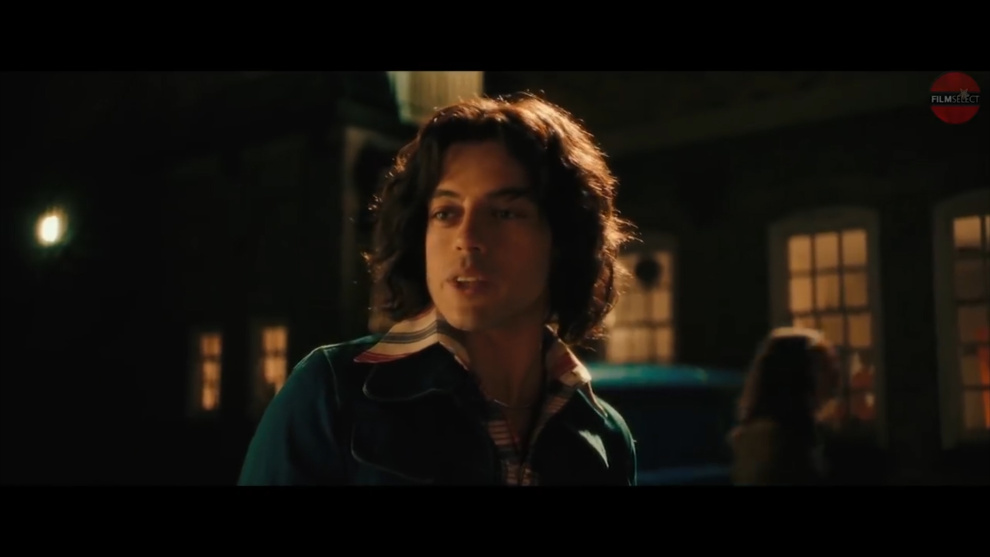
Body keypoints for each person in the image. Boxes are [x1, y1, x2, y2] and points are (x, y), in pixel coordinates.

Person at [238, 93, 639, 485]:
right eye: (446, 212)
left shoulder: (605, 436)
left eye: (504, 213)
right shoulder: (332, 392)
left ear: (563, 240)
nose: (467, 238)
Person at [729, 327, 840, 486]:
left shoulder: (799, 430)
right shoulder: (773, 439)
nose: (834, 376)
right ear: (798, 373)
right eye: (823, 367)